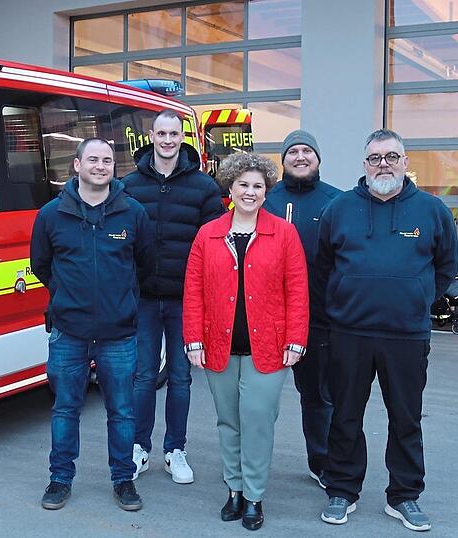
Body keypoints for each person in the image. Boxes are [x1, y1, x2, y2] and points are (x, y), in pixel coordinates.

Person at [316, 129, 458, 532]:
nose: (384, 164)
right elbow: (323, 266)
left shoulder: (432, 210)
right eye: (376, 157)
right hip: (350, 334)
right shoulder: (339, 209)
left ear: (404, 162)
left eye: (391, 157)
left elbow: (446, 266)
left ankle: (405, 496)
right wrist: (342, 305)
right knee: (344, 416)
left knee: (406, 418)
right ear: (364, 164)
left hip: (406, 336)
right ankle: (342, 490)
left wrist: (418, 299)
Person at [182, 152, 308, 531]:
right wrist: (193, 338)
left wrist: (296, 339)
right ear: (230, 189)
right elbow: (193, 291)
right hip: (218, 344)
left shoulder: (284, 233)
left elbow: (298, 290)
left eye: (258, 186)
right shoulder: (208, 234)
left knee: (257, 421)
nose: (250, 192)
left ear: (266, 191)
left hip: (267, 346)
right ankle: (234, 489)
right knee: (228, 422)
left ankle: (254, 495)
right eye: (243, 185)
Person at [30, 137, 154, 512]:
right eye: (93, 160)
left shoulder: (133, 213)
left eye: (107, 161)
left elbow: (145, 266)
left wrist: (122, 301)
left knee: (121, 411)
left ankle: (123, 480)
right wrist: (67, 296)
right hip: (69, 332)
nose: (100, 166)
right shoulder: (51, 215)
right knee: (66, 408)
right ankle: (60, 479)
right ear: (77, 165)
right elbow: (42, 265)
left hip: (119, 333)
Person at [122, 109, 224, 484]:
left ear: (183, 138)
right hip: (145, 298)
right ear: (152, 136)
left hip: (186, 300)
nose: (167, 140)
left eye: (174, 134)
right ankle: (139, 448)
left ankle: (175, 450)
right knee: (143, 376)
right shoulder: (129, 185)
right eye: (161, 133)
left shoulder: (204, 187)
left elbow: (214, 246)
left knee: (180, 377)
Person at [262, 130, 341, 488]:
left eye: (307, 150)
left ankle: (320, 461)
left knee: (318, 396)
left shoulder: (336, 202)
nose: (300, 156)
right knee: (257, 399)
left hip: (317, 317)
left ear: (318, 158)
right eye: (292, 151)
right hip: (264, 318)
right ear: (284, 160)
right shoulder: (264, 199)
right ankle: (251, 464)